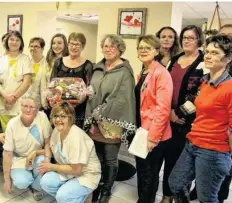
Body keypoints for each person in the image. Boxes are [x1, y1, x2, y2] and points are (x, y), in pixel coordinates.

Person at [169, 34, 232, 203]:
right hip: (193, 142)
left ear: (229, 57)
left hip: (213, 151)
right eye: (207, 51)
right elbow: (196, 104)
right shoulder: (205, 81)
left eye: (215, 53)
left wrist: (224, 152)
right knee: (175, 183)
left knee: (206, 198)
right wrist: (175, 114)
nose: (208, 56)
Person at [189, 23, 232, 203]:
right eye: (222, 35)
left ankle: (218, 195)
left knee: (220, 172)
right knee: (203, 172)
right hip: (205, 130)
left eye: (231, 37)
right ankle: (202, 190)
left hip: (225, 134)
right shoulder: (207, 71)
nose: (226, 39)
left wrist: (229, 148)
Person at [84, 34, 136, 203]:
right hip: (94, 118)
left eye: (112, 46)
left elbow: (123, 98)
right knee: (97, 155)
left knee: (110, 158)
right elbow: (93, 88)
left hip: (113, 120)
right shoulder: (98, 67)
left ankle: (106, 190)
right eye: (105, 46)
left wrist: (102, 111)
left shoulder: (125, 71)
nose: (108, 49)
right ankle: (97, 185)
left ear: (120, 49)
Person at [160, 25, 205, 203]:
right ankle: (166, 196)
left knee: (181, 164)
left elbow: (201, 94)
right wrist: (169, 112)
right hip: (168, 117)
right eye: (184, 37)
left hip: (187, 121)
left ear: (199, 40)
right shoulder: (175, 60)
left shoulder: (203, 63)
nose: (187, 40)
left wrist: (178, 113)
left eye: (191, 38)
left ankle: (178, 196)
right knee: (168, 158)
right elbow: (165, 87)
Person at [135, 35, 173, 203]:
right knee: (142, 170)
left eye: (148, 47)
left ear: (157, 51)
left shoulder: (161, 73)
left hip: (153, 132)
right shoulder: (143, 71)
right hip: (140, 129)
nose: (143, 50)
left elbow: (163, 109)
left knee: (150, 173)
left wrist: (153, 137)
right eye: (140, 47)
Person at [39, 102, 101, 203]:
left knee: (62, 196)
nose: (58, 119)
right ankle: (70, 197)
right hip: (68, 171)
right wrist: (42, 156)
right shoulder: (56, 131)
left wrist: (50, 166)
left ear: (70, 118)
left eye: (63, 116)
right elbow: (51, 148)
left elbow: (77, 169)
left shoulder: (76, 136)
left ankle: (81, 196)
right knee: (45, 182)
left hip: (86, 174)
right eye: (55, 116)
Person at [2, 96, 52, 201]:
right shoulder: (12, 124)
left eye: (32, 107)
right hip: (18, 158)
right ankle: (29, 176)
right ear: (20, 107)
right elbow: (7, 153)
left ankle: (36, 187)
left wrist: (47, 159)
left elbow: (48, 142)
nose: (28, 110)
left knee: (42, 161)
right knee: (22, 182)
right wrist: (6, 179)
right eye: (25, 106)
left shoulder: (42, 117)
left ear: (37, 108)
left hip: (37, 155)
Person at [0, 31, 32, 131]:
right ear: (7, 42)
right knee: (6, 133)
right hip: (3, 104)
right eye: (12, 39)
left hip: (19, 104)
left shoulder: (25, 59)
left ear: (21, 43)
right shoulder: (0, 60)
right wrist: (6, 97)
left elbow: (26, 82)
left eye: (17, 40)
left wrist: (13, 98)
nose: (14, 42)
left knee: (20, 133)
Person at [50, 32, 93, 128]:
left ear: (83, 47)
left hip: (78, 111)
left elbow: (88, 89)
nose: (74, 47)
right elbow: (52, 84)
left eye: (77, 44)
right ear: (67, 45)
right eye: (71, 44)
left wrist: (73, 105)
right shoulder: (59, 62)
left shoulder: (88, 65)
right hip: (59, 109)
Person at [41, 33, 69, 116]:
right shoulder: (48, 61)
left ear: (65, 45)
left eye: (59, 43)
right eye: (54, 43)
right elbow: (44, 81)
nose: (56, 45)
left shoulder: (68, 61)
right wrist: (45, 99)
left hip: (63, 101)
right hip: (49, 100)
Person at [27, 37, 48, 109]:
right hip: (24, 101)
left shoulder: (47, 65)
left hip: (40, 104)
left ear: (42, 49)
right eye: (31, 46)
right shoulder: (25, 63)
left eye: (36, 46)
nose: (33, 48)